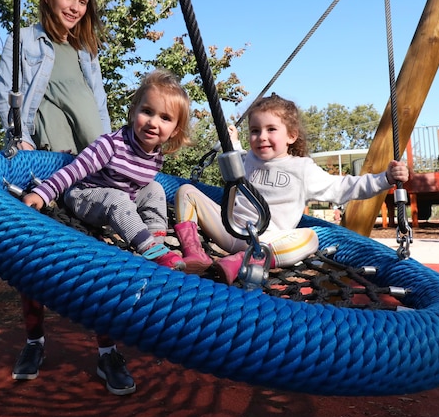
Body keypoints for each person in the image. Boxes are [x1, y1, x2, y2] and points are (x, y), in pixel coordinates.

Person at [0, 0, 133, 395]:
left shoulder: (86, 52)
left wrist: (115, 147)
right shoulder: (24, 42)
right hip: (46, 158)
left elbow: (100, 106)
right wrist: (19, 140)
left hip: (88, 156)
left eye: (83, 1)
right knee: (33, 256)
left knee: (98, 253)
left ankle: (107, 351)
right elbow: (8, 95)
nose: (75, 6)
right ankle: (35, 341)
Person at [173, 93, 410, 284]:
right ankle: (195, 253)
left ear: (291, 136)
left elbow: (343, 188)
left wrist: (386, 178)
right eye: (255, 131)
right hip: (229, 230)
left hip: (265, 241)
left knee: (310, 238)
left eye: (271, 129)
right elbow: (234, 151)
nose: (261, 137)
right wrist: (231, 139)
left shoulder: (301, 169)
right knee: (186, 192)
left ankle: (241, 262)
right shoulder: (247, 160)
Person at [23, 69, 196, 272]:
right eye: (147, 111)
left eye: (165, 118)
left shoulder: (156, 157)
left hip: (119, 203)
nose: (153, 122)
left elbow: (139, 191)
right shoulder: (111, 145)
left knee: (155, 189)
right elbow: (74, 170)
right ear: (134, 112)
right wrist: (43, 193)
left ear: (175, 129)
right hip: (85, 197)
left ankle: (155, 240)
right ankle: (148, 248)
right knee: (117, 198)